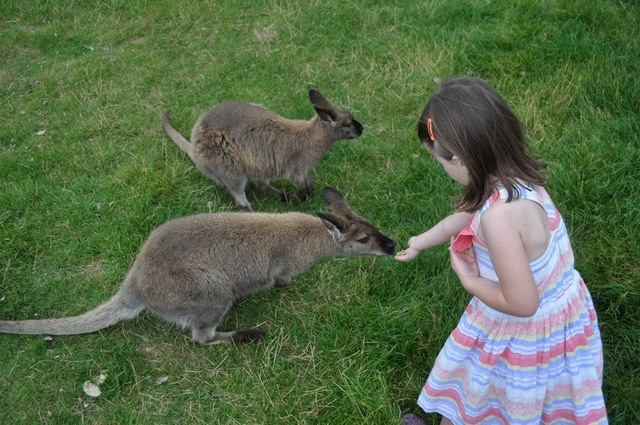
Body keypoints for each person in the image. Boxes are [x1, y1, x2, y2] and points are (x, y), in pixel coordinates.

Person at [395, 77, 607, 425]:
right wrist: (420, 241)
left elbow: (522, 303)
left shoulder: (499, 220)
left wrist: (469, 280)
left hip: (522, 330)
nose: (442, 169)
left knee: (485, 392)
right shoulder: (516, 177)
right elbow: (461, 219)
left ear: (462, 162)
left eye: (440, 161)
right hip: (563, 316)